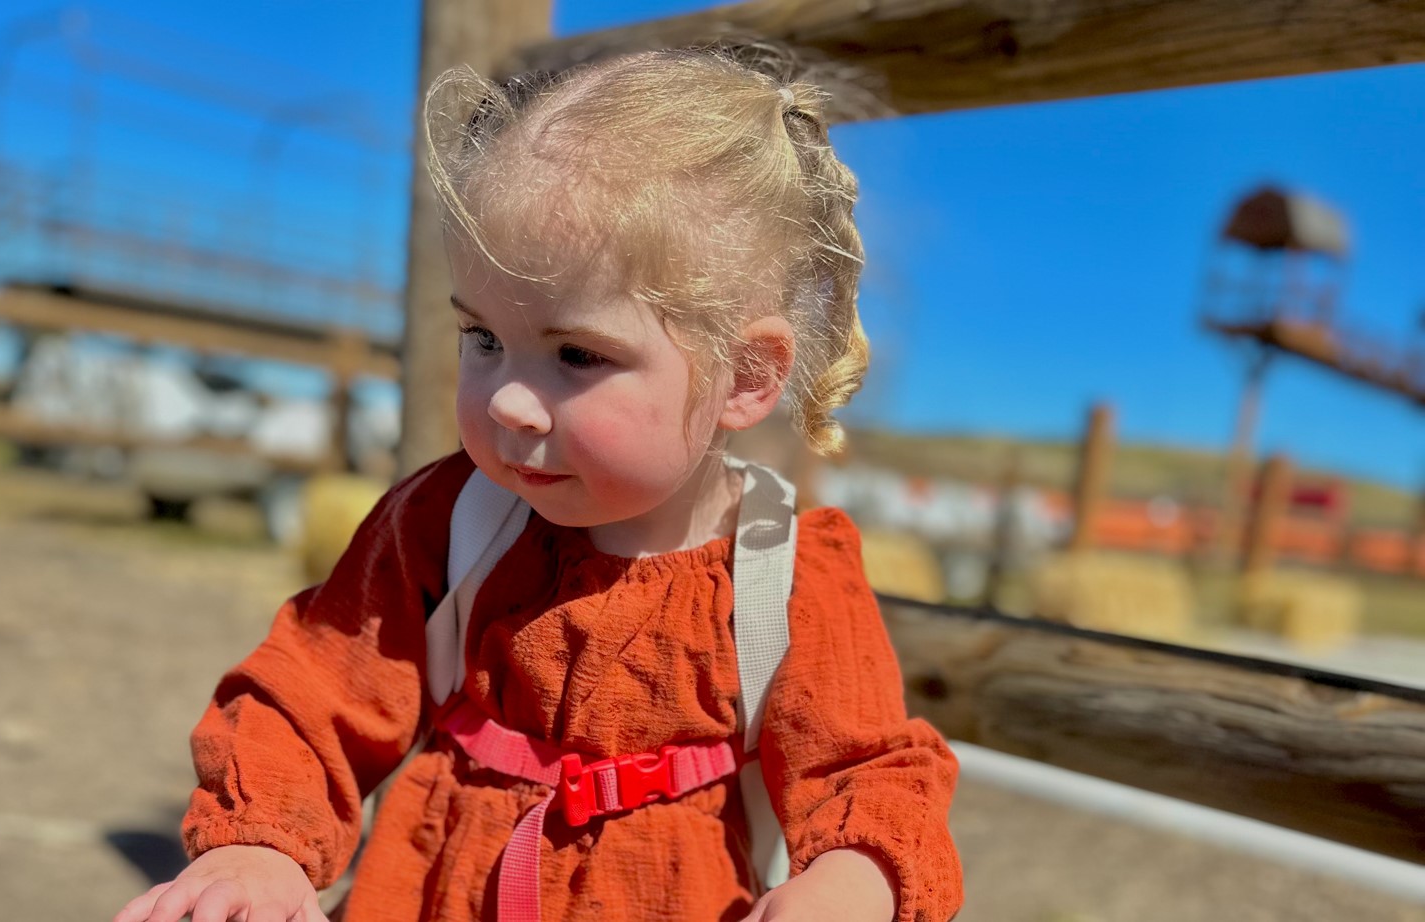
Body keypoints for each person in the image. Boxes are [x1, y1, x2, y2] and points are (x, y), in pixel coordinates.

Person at [114, 45, 962, 922]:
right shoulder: (450, 519)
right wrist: (260, 849)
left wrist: (848, 883)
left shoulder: (787, 577)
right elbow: (313, 693)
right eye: (483, 339)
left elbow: (865, 770)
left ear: (746, 376)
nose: (511, 400)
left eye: (577, 354)